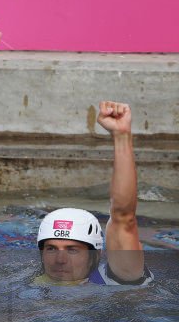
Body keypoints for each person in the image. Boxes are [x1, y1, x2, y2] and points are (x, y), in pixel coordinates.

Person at [35, 101, 152, 285]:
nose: (60, 260)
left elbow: (124, 216)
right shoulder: (26, 284)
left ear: (95, 255)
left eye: (72, 249)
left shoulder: (117, 279)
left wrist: (121, 136)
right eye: (51, 249)